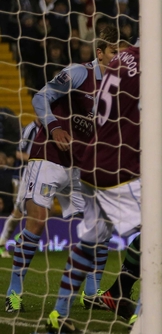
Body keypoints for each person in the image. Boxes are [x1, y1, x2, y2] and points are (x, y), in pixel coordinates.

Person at [44, 18, 162, 331]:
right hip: (119, 166)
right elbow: (149, 116)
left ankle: (59, 314)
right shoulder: (161, 69)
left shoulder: (120, 57)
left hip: (91, 160)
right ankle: (147, 319)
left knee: (91, 239)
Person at [95, 6, 162, 326]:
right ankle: (146, 303)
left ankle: (121, 292)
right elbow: (146, 112)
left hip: (143, 153)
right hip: (135, 157)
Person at [4, 27, 118, 313]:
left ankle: (91, 292)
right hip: (49, 154)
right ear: (101, 52)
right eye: (115, 52)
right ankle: (14, 290)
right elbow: (40, 98)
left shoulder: (118, 88)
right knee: (38, 221)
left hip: (80, 164)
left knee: (101, 225)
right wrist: (54, 128)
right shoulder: (79, 73)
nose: (119, 58)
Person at [0, 119, 40, 259]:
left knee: (46, 210)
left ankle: (23, 238)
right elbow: (16, 152)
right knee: (18, 212)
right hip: (23, 177)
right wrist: (36, 159)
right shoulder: (29, 130)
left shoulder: (50, 130)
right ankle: (2, 242)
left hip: (40, 178)